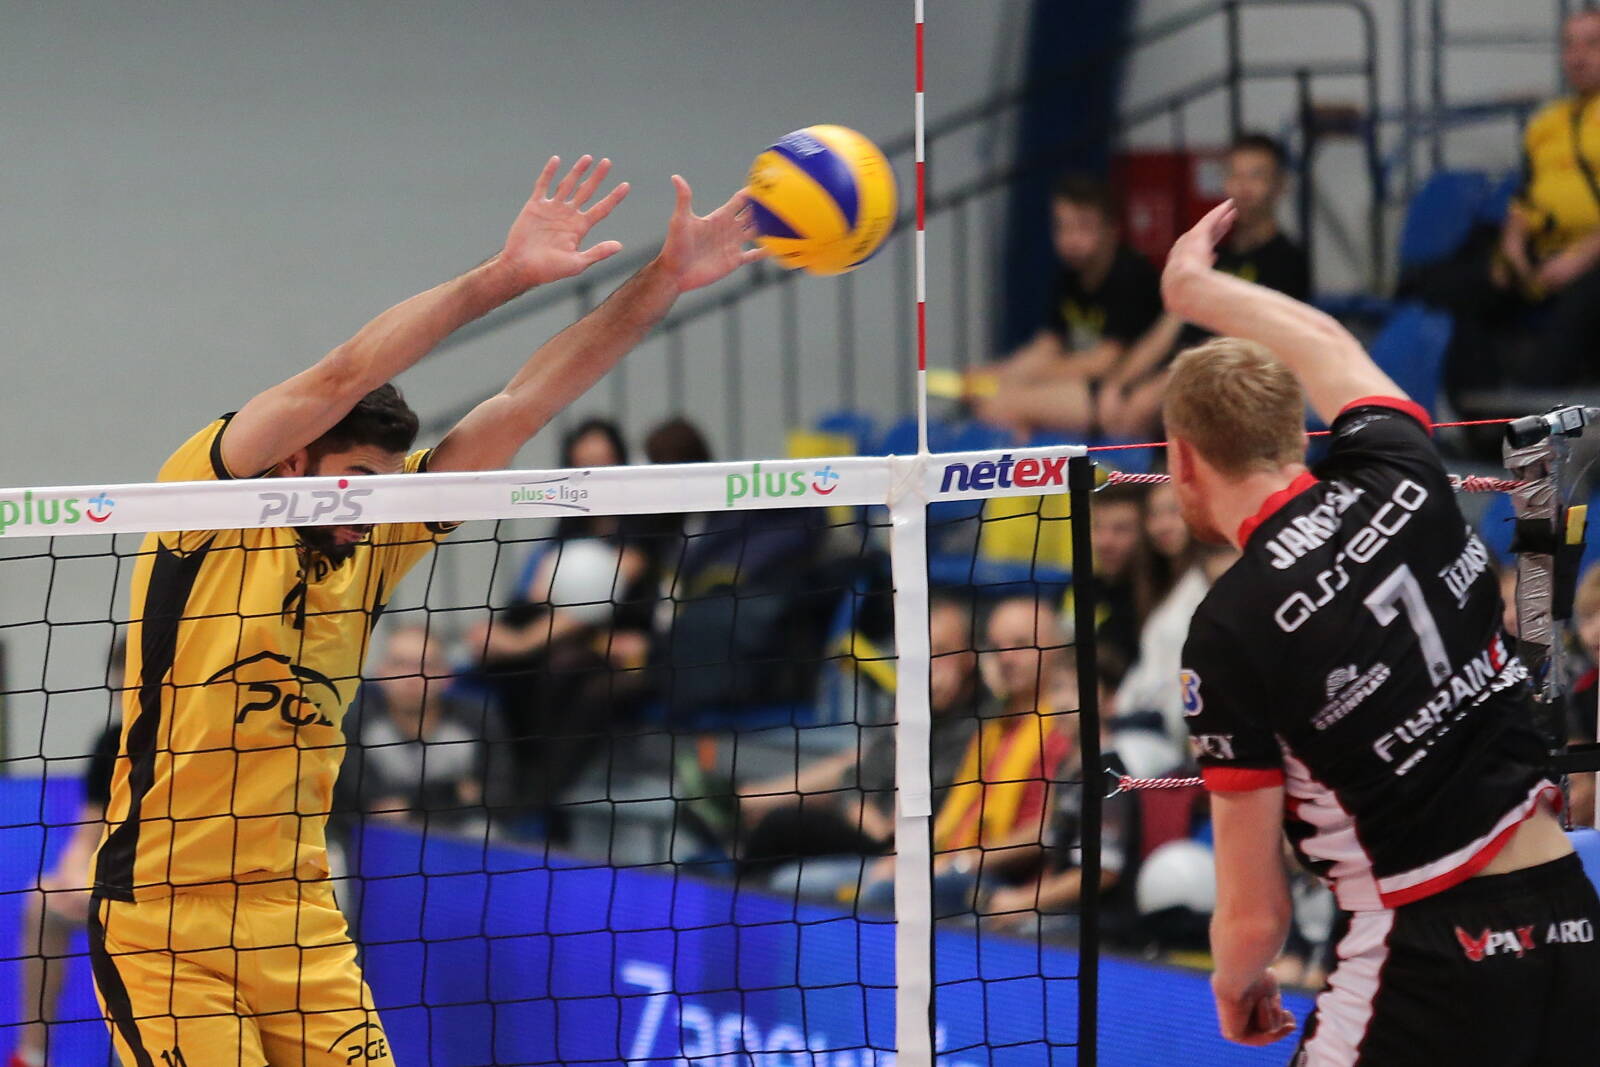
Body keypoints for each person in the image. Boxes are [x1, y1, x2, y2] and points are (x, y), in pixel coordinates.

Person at [87, 155, 763, 1066]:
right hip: (166, 918)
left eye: (381, 486)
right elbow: (341, 375)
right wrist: (504, 275)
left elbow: (527, 400)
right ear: (292, 461)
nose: (367, 506)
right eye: (352, 481)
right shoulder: (210, 499)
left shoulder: (375, 537)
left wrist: (665, 281)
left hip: (300, 918)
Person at [1161, 199, 1599, 1061]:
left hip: (1428, 954)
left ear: (1182, 459)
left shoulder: (1227, 628)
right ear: (1297, 434)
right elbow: (1326, 342)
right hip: (1571, 926)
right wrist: (1193, 288)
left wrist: (1238, 982)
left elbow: (1255, 914)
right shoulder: (1402, 468)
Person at [735, 596, 981, 876]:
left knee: (782, 827)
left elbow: (931, 801)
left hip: (913, 850)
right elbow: (858, 778)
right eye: (921, 651)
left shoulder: (979, 724)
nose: (929, 663)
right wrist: (861, 812)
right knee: (777, 830)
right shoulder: (912, 701)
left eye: (942, 651)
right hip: (871, 830)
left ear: (969, 658)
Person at [860, 597, 1073, 916]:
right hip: (948, 862)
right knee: (805, 880)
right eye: (997, 647)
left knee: (880, 895)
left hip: (1004, 881)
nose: (1006, 658)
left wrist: (961, 863)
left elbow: (1047, 829)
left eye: (1020, 645)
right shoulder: (993, 724)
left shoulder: (1065, 729)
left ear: (1057, 649)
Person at [1100, 134, 1310, 440]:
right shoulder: (1212, 253)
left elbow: (1257, 345)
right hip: (1184, 372)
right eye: (1235, 175)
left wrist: (1169, 383)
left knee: (1140, 410)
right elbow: (1170, 323)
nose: (1243, 187)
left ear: (1280, 186)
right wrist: (1117, 382)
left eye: (1256, 176)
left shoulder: (1287, 261)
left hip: (1233, 382)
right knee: (1111, 406)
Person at [972, 175, 1162, 438]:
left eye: (1083, 227)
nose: (1071, 239)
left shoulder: (1131, 276)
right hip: (1087, 384)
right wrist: (998, 373)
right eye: (1062, 227)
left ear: (1111, 229)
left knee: (999, 406)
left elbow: (1105, 361)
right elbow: (1047, 343)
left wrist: (1028, 377)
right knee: (991, 400)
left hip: (1125, 388)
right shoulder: (1070, 276)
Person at [11, 643, 122, 1067]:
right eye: (119, 690)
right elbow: (87, 834)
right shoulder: (112, 744)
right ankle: (32, 1054)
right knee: (42, 900)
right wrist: (75, 877)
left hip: (172, 895)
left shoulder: (191, 744)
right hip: (113, 889)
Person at [339, 625, 513, 834]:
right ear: (381, 672)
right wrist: (453, 791)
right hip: (377, 839)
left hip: (464, 837)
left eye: (426, 665)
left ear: (447, 675)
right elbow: (359, 799)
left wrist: (407, 803)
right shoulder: (353, 723)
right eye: (400, 664)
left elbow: (499, 795)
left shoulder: (479, 718)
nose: (412, 677)